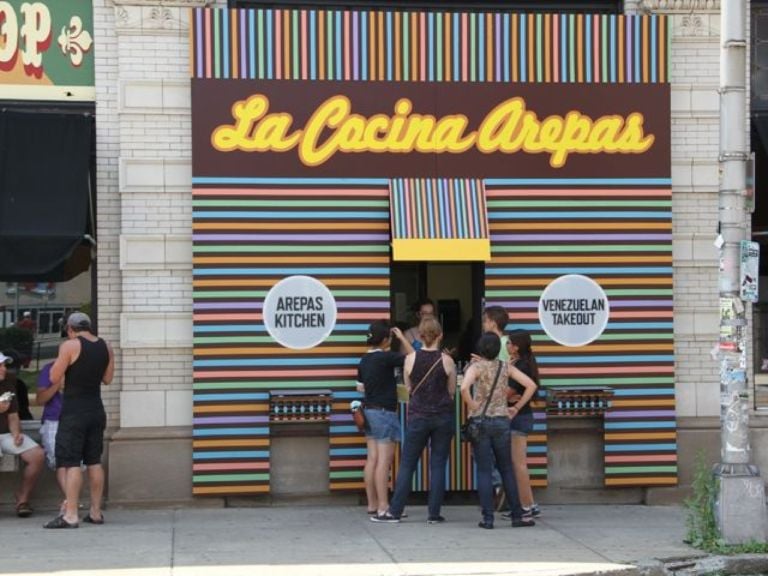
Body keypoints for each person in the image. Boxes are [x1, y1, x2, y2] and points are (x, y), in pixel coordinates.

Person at [372, 317, 457, 524]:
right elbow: (452, 392)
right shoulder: (447, 361)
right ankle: (434, 514)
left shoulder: (410, 359)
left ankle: (395, 510)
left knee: (408, 464)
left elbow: (409, 388)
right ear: (440, 336)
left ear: (420, 337)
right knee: (438, 465)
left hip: (418, 416)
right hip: (442, 417)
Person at [44, 312, 114, 529]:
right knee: (94, 460)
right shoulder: (106, 346)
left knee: (71, 462)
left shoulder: (70, 345)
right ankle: (95, 512)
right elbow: (108, 379)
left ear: (69, 328)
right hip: (96, 409)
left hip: (74, 411)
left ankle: (71, 514)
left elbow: (54, 377)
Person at [460, 333, 535, 529]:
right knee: (507, 469)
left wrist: (473, 405)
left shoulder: (475, 367)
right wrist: (516, 408)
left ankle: (487, 519)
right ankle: (517, 516)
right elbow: (531, 385)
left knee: (484, 471)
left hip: (481, 422)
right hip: (502, 421)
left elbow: (464, 388)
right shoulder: (505, 366)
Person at [357, 320, 413, 520]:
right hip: (384, 413)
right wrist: (402, 338)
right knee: (384, 462)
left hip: (369, 411)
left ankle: (372, 504)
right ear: (385, 340)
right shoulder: (386, 358)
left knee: (372, 459)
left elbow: (360, 388)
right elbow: (411, 356)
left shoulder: (364, 360)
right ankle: (383, 506)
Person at [501, 329, 541, 520]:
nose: (507, 346)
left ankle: (526, 506)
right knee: (516, 463)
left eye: (509, 343)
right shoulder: (517, 363)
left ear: (516, 347)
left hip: (518, 418)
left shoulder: (522, 366)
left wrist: (516, 406)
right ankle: (529, 504)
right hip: (520, 417)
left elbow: (506, 393)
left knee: (518, 464)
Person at [0, 352, 45, 518]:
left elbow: (13, 415)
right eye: (1, 365)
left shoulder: (8, 383)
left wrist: (16, 433)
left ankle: (22, 498)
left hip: (5, 433)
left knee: (37, 455)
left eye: (4, 365)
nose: (4, 369)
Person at [35, 360, 67, 503]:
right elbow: (40, 399)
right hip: (53, 420)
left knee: (75, 464)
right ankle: (71, 502)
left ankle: (71, 502)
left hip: (77, 419)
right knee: (60, 462)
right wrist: (57, 385)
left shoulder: (82, 367)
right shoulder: (50, 368)